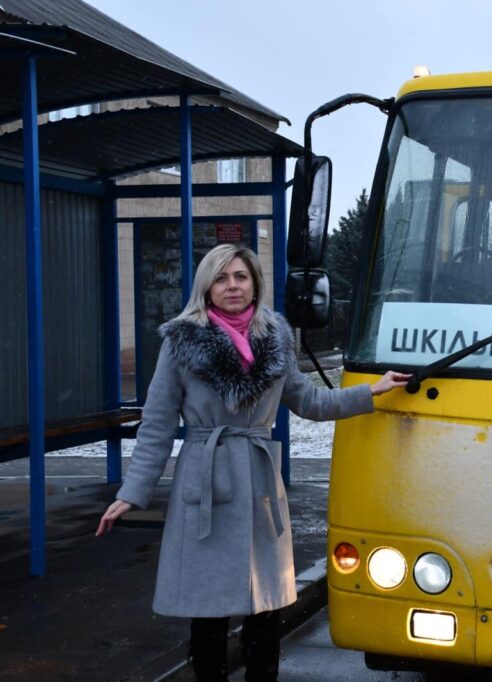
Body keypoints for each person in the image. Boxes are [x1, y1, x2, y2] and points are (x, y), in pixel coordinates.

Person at [95, 244, 410, 681]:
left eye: (241, 277)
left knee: (264, 609)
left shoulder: (275, 335)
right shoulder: (182, 341)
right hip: (206, 483)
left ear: (254, 283)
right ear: (207, 286)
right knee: (209, 611)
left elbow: (309, 401)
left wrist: (369, 392)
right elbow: (157, 424)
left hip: (260, 483)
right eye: (222, 278)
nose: (232, 286)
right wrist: (132, 494)